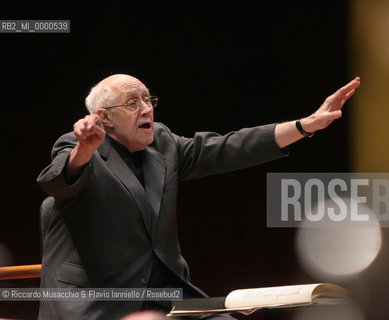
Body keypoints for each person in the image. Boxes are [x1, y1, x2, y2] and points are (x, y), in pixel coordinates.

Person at [37, 74, 360, 320]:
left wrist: (305, 125)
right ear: (105, 118)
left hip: (165, 294)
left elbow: (227, 148)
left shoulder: (162, 144)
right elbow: (59, 182)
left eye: (148, 99)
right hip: (99, 300)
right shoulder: (80, 146)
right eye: (132, 103)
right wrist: (85, 149)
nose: (146, 108)